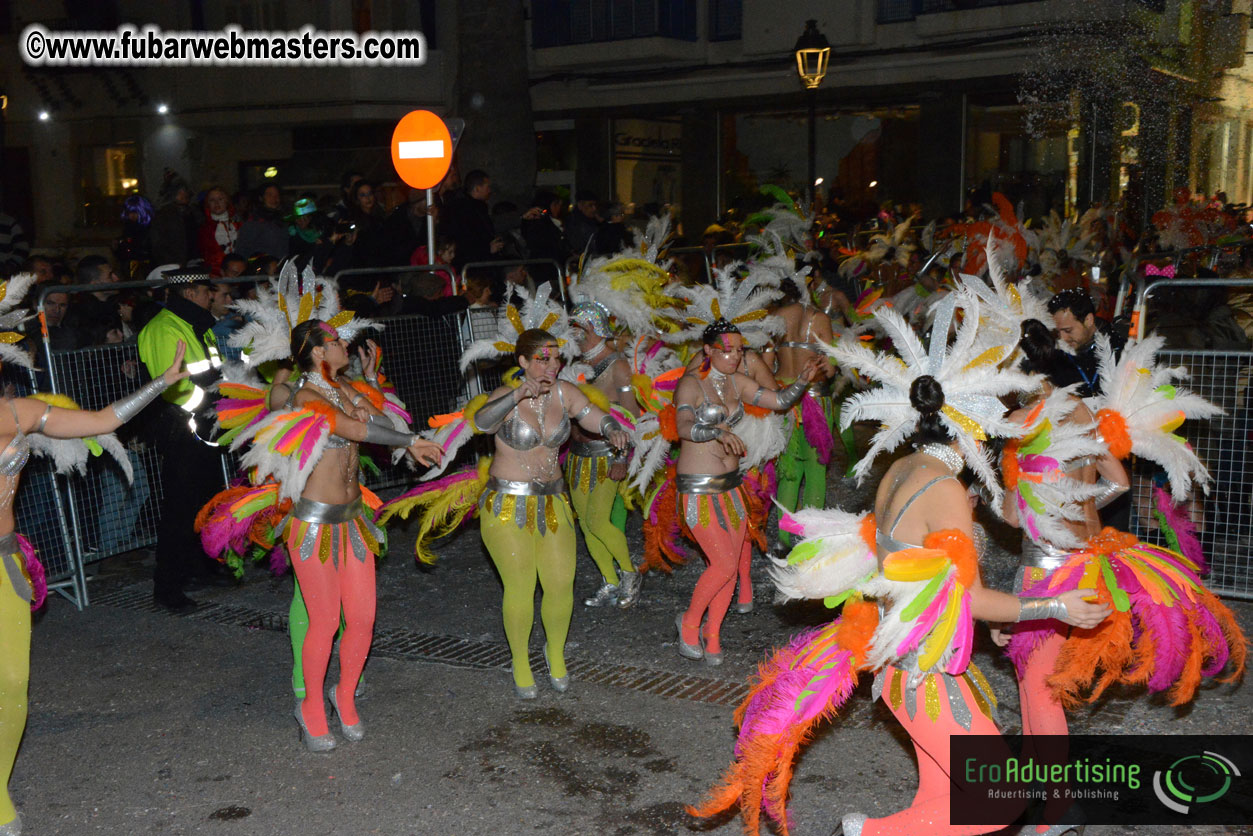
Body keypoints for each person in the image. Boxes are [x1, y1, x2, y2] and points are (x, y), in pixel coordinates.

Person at [689, 291, 1110, 836]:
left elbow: (923, 573)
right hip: (923, 674)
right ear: (971, 426)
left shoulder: (903, 468)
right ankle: (862, 832)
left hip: (908, 665)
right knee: (995, 803)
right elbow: (970, 596)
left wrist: (1004, 617)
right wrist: (1056, 604)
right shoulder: (944, 488)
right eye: (994, 425)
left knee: (939, 799)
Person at [0, 271, 188, 836]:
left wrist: (163, 382)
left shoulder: (20, 413)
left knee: (11, 685)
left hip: (3, 560)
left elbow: (105, 420)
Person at [261, 321, 440, 751]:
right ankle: (310, 709)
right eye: (338, 342)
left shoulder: (341, 387)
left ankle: (344, 696)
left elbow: (377, 419)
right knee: (323, 621)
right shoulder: (304, 396)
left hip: (353, 521)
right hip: (314, 524)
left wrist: (367, 398)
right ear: (319, 353)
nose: (345, 345)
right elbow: (357, 432)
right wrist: (408, 439)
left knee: (361, 618)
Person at [470, 328, 630, 698]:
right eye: (543, 358)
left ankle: (554, 654)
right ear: (523, 362)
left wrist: (611, 427)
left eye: (556, 357)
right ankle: (521, 662)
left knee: (560, 584)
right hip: (506, 506)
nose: (552, 365)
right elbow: (482, 424)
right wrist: (516, 395)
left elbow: (592, 416)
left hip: (554, 503)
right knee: (521, 587)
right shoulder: (504, 396)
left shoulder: (564, 392)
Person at [672, 320, 821, 664]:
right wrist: (715, 432)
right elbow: (681, 425)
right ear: (707, 350)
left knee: (731, 562)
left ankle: (712, 636)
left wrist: (802, 380)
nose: (735, 356)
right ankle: (689, 623)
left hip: (732, 486)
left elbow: (779, 400)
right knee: (723, 564)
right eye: (727, 350)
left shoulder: (737, 382)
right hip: (698, 488)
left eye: (739, 350)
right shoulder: (691, 386)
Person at [137, 268, 227, 612]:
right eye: (207, 291)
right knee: (180, 509)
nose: (211, 297)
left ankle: (201, 568)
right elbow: (172, 390)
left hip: (205, 427)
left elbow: (212, 373)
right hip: (183, 429)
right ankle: (168, 589)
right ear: (190, 294)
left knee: (207, 501)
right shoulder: (164, 328)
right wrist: (213, 408)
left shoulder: (195, 324)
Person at [566, 302, 642, 608]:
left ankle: (630, 574)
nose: (572, 333)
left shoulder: (618, 367)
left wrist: (622, 457)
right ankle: (609, 581)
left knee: (598, 521)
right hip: (576, 456)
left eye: (577, 328)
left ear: (593, 329)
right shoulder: (571, 365)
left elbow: (632, 416)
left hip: (607, 455)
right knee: (586, 525)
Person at [197, 187, 239, 276]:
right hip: (215, 275)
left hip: (239, 272)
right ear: (207, 204)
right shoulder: (204, 229)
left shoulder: (238, 225)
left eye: (220, 199)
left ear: (227, 201)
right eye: (212, 200)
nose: (216, 203)